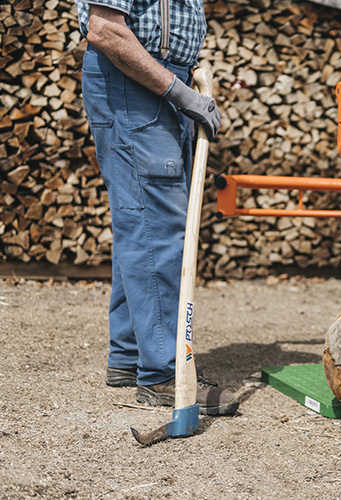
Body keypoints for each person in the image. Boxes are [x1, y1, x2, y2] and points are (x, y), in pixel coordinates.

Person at [74, 0, 239, 415]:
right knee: (159, 228)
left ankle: (130, 356)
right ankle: (164, 374)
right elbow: (105, 30)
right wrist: (177, 90)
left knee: (141, 221)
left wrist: (180, 84)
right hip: (137, 83)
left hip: (157, 82)